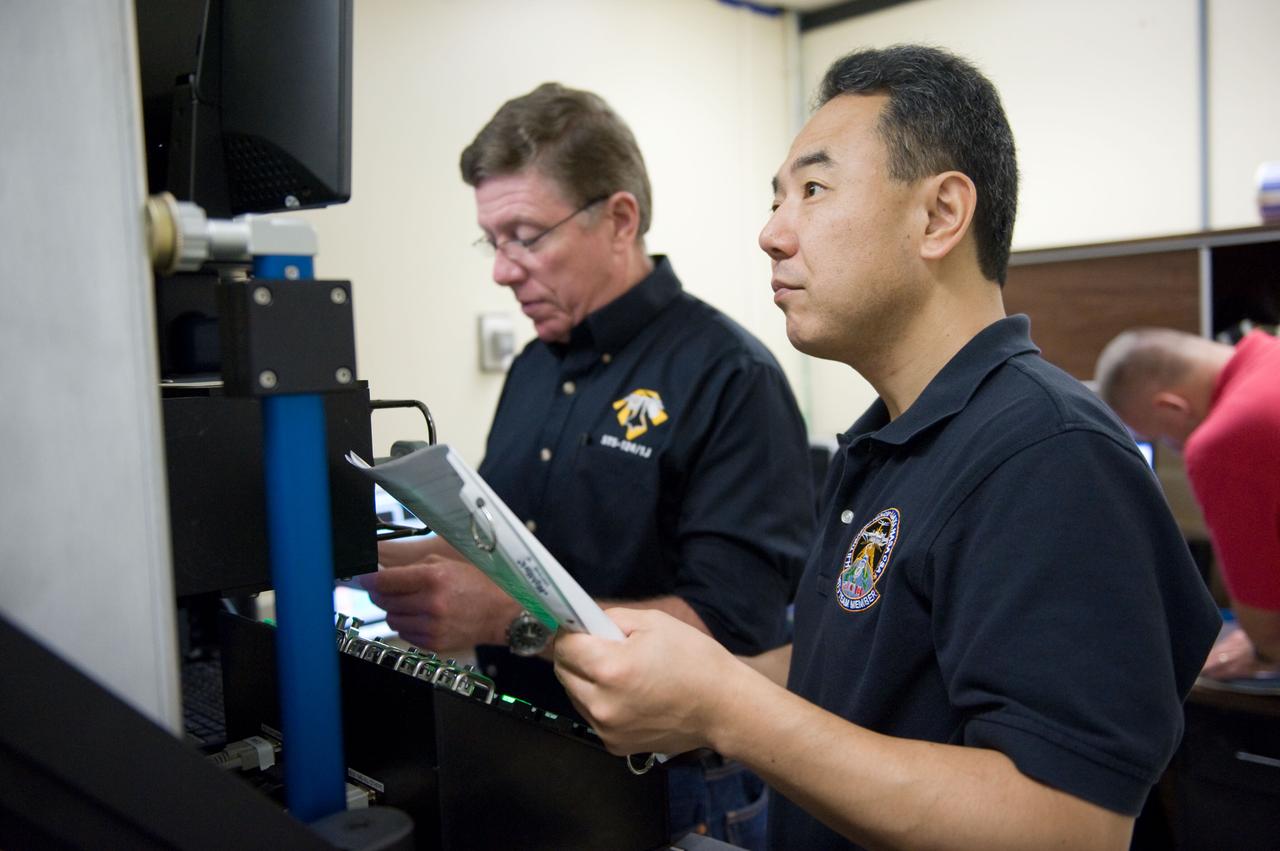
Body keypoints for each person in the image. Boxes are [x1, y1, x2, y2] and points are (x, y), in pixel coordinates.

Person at [553, 45, 1221, 850]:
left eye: (813, 189)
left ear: (940, 216)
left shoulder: (1049, 452)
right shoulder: (889, 443)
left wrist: (726, 708)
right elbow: (863, 675)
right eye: (776, 197)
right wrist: (702, 675)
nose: (771, 232)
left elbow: (1069, 824)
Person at [357, 82, 814, 846]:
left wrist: (503, 615)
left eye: (526, 236)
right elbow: (516, 551)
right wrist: (382, 560)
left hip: (672, 786)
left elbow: (730, 631)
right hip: (528, 757)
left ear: (619, 218)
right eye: (491, 240)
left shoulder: (730, 375)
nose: (502, 271)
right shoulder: (534, 367)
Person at [1094, 326, 1280, 680]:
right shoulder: (1271, 353)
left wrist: (1258, 646)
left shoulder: (1222, 440)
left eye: (1164, 438)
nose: (1178, 449)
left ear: (1171, 407)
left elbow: (1267, 630)